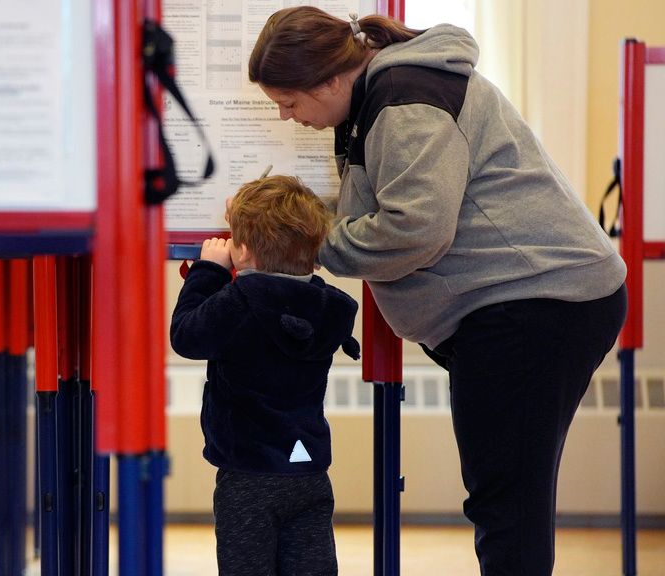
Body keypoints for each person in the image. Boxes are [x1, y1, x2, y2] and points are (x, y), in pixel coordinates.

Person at [248, 7, 628, 576]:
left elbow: (414, 229)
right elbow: (378, 212)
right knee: (506, 494)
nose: (286, 115)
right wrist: (283, 227)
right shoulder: (384, 94)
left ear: (329, 80)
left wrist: (303, 248)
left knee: (507, 503)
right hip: (526, 301)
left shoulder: (404, 102)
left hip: (534, 303)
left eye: (290, 101)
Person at [170, 174, 360, 576]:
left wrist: (209, 271)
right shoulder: (328, 307)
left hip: (247, 475)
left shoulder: (239, 302)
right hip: (309, 472)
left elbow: (187, 337)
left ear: (242, 251)